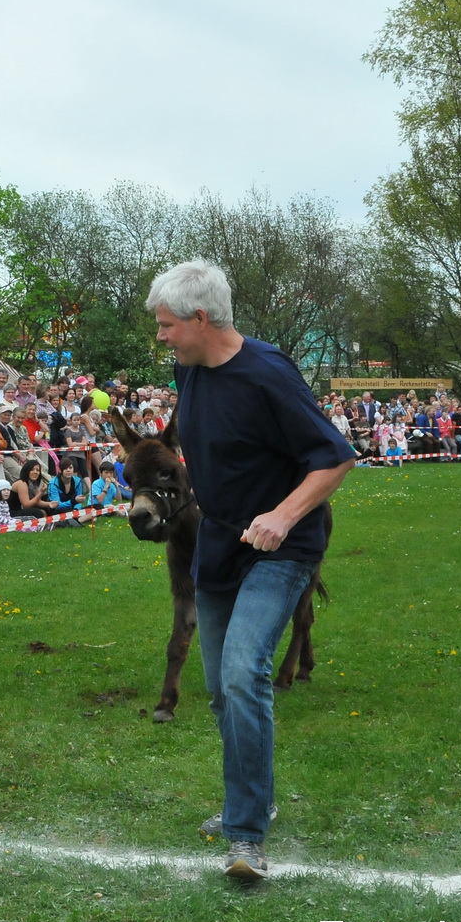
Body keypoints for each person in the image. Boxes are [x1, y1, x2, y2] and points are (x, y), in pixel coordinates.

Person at [149, 258, 355, 881]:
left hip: (280, 549)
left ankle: (246, 837)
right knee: (219, 689)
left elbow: (335, 458)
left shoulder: (268, 375)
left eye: (165, 326)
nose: (160, 337)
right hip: (220, 545)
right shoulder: (190, 375)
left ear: (201, 319)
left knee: (243, 674)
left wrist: (283, 515)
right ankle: (254, 796)